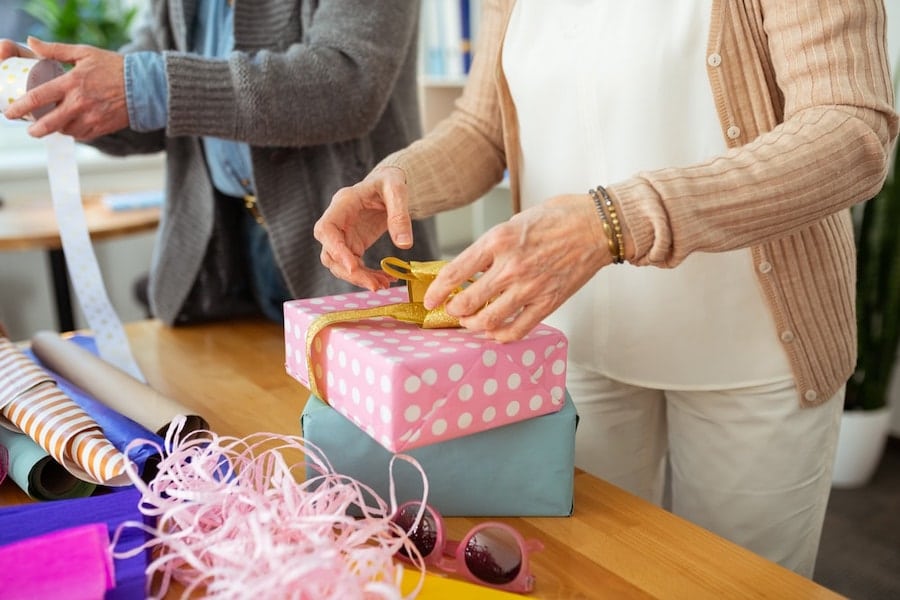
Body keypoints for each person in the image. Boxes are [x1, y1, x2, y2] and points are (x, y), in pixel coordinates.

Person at [314, 0, 899, 578]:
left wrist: (611, 222)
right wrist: (398, 181)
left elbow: (849, 130)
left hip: (755, 347)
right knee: (588, 576)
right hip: (570, 338)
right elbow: (482, 127)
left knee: (737, 585)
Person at [0, 0, 438, 325]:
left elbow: (347, 83)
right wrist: (69, 93)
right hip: (225, 255)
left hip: (344, 250)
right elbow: (156, 108)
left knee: (345, 436)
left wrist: (141, 85)